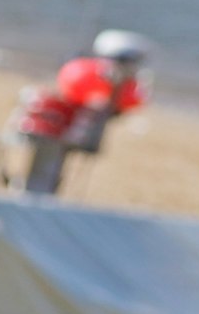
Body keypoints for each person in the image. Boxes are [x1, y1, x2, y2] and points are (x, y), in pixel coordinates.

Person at [11, 30, 151, 196]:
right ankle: (36, 195)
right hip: (64, 129)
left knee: (45, 172)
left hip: (66, 128)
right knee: (44, 173)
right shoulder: (97, 76)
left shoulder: (90, 73)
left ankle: (36, 194)